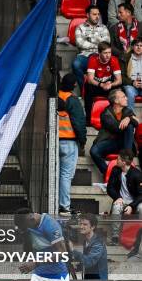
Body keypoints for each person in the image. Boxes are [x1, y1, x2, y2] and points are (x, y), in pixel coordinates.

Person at [57, 74, 87, 216]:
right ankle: (64, 206)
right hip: (69, 141)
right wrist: (82, 141)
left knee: (56, 174)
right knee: (66, 175)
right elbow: (79, 123)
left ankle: (58, 203)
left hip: (55, 141)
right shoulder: (72, 100)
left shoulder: (56, 96)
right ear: (74, 85)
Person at [90, 89, 137, 175]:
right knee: (94, 151)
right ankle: (110, 174)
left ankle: (127, 157)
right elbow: (117, 128)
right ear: (116, 100)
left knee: (130, 126)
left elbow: (136, 122)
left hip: (124, 143)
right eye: (123, 97)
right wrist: (130, 119)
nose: (126, 98)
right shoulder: (105, 114)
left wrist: (129, 118)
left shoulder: (127, 110)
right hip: (110, 142)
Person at [107, 149, 142, 242]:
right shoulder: (115, 170)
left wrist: (132, 206)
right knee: (116, 207)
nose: (116, 161)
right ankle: (115, 236)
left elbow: (141, 194)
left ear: (123, 162)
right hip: (121, 200)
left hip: (134, 202)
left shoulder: (137, 174)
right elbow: (109, 188)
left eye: (118, 159)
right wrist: (117, 197)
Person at [72, 5, 110, 89]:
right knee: (76, 64)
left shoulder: (103, 28)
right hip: (85, 56)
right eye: (94, 14)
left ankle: (101, 89)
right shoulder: (80, 28)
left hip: (99, 56)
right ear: (88, 15)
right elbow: (80, 43)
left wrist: (89, 40)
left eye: (98, 14)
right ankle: (84, 89)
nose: (97, 17)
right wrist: (98, 43)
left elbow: (106, 43)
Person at [84, 42, 122, 122]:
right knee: (88, 87)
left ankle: (118, 117)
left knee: (120, 90)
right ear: (99, 53)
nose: (108, 55)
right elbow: (90, 79)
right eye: (105, 53)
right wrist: (101, 84)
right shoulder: (93, 59)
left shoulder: (114, 60)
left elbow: (119, 80)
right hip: (97, 86)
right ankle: (88, 119)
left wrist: (111, 84)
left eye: (109, 52)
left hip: (108, 86)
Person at [70, 214, 109, 280]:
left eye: (85, 224)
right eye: (81, 224)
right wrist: (77, 267)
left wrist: (73, 250)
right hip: (89, 279)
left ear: (93, 227)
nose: (81, 226)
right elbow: (86, 259)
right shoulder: (86, 241)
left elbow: (89, 262)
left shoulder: (98, 243)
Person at [121, 37, 142, 109]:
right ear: (133, 47)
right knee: (129, 91)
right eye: (137, 45)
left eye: (141, 46)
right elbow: (121, 77)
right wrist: (132, 82)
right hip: (131, 85)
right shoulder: (125, 58)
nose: (139, 48)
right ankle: (130, 116)